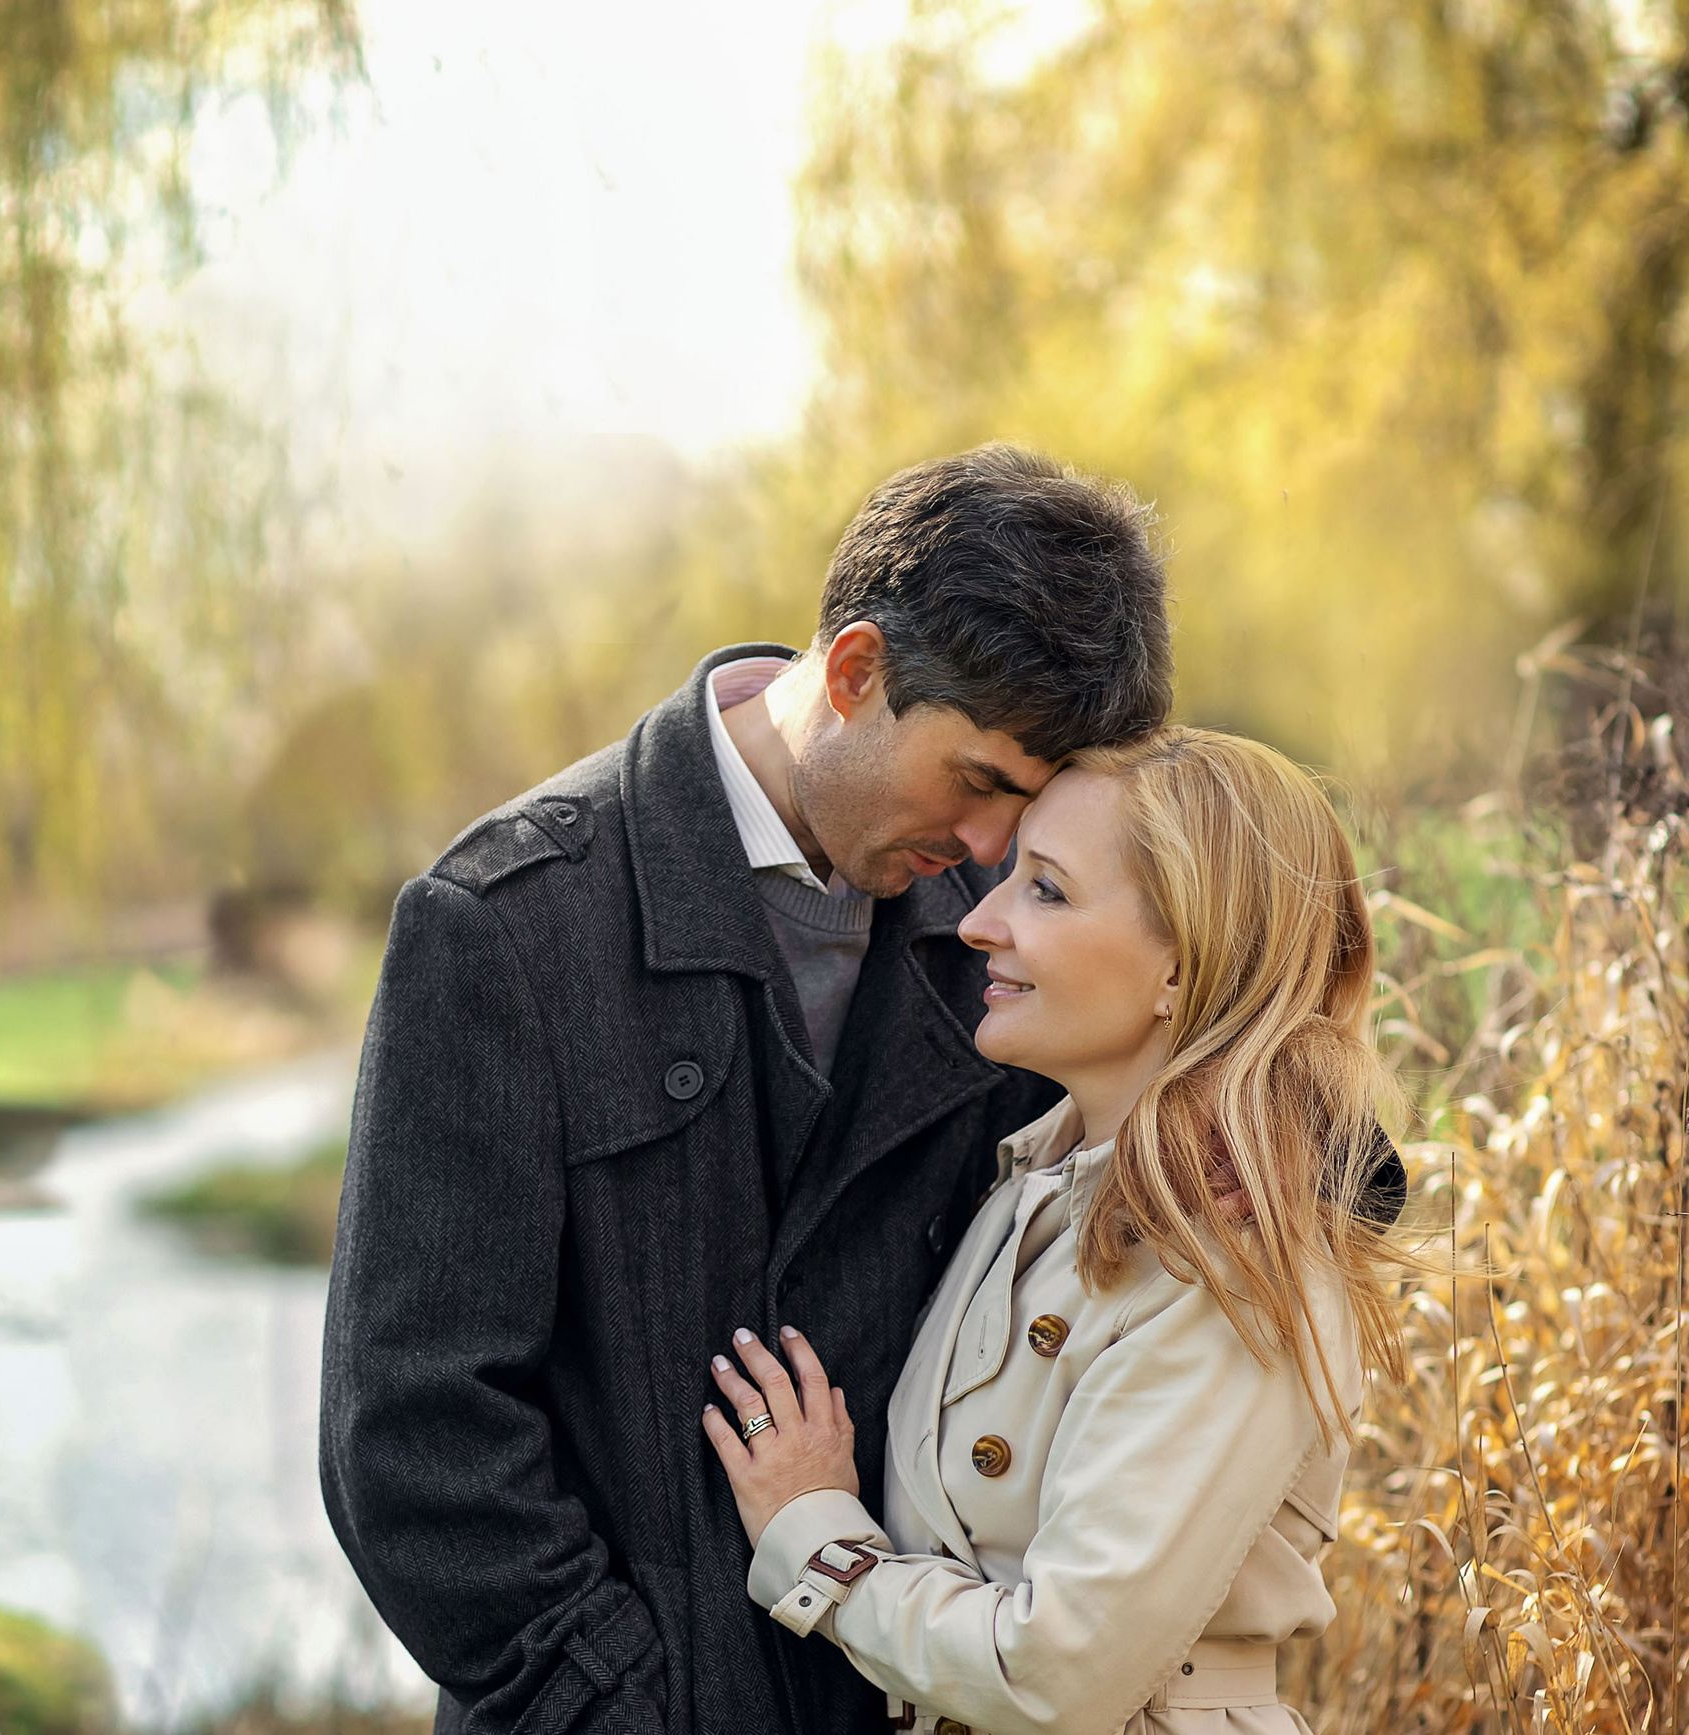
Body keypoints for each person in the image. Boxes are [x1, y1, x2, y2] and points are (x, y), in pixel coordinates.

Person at [320, 445, 1176, 1735]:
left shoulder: (1004, 938)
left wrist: (1297, 1154)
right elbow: (413, 1440)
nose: (996, 851)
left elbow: (1214, 1019)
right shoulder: (500, 925)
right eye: (982, 782)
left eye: (1034, 804)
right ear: (852, 672)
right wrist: (631, 1700)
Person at [702, 728, 1406, 1735]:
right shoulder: (1035, 1179)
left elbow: (1057, 1675)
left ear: (1185, 963)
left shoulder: (1232, 1257)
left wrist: (812, 1533)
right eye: (1007, 875)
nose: (981, 921)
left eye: (1046, 889)